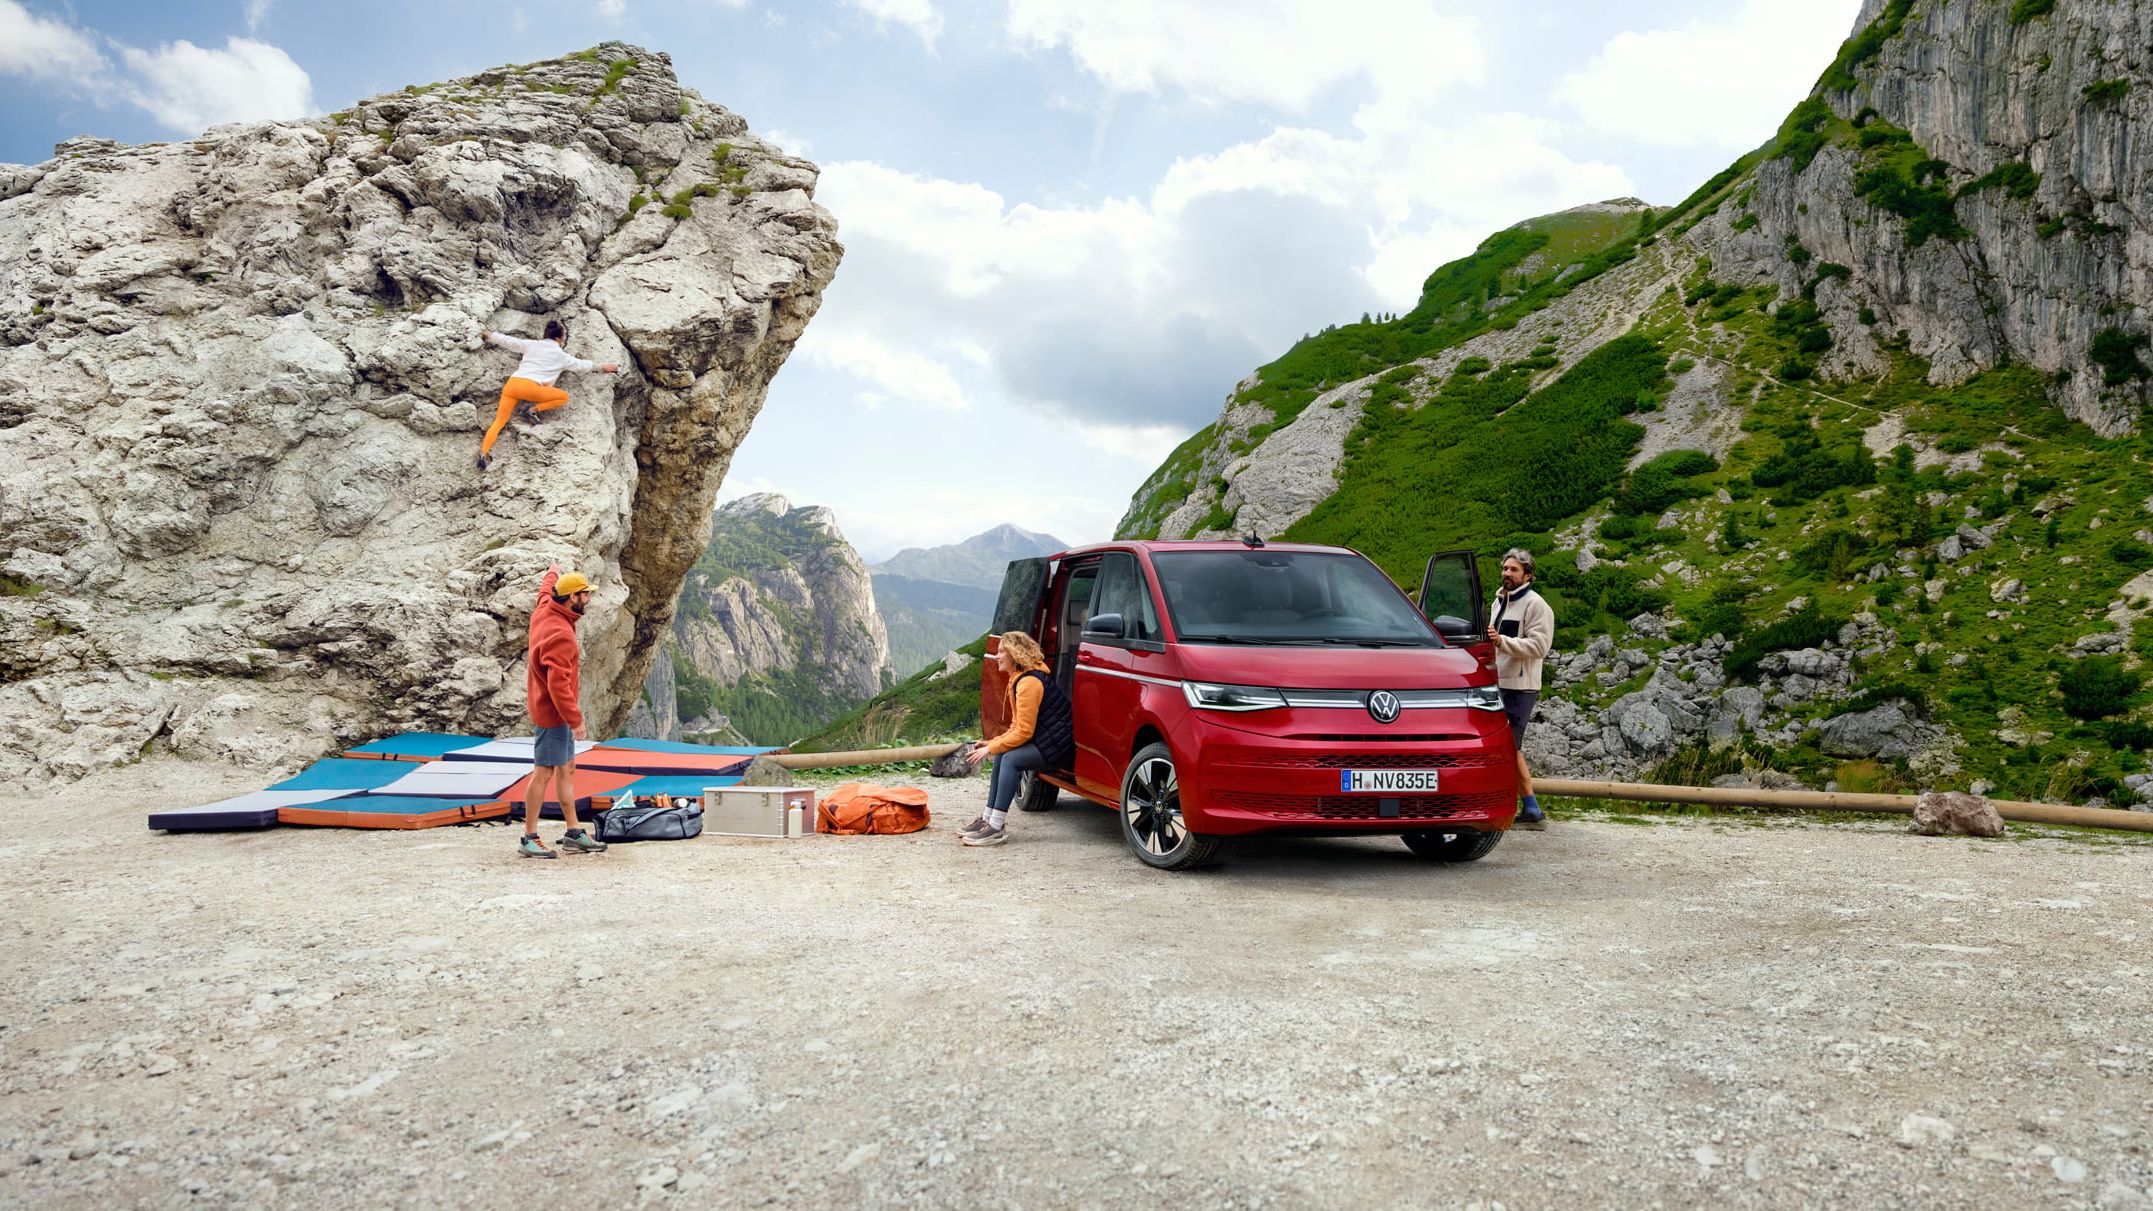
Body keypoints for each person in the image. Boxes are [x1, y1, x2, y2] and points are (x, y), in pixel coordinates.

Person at [521, 563, 606, 858]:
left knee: (566, 769)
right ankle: (528, 837)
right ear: (572, 598)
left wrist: (553, 571)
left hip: (547, 708)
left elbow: (546, 589)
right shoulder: (561, 636)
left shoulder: (547, 607)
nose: (589, 600)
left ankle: (573, 831)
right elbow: (559, 687)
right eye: (585, 595)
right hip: (552, 713)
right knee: (543, 773)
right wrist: (575, 720)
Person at [958, 631, 1073, 848]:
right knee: (1003, 754)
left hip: (1057, 746)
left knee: (1011, 760)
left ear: (1015, 654)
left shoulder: (1029, 682)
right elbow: (1017, 726)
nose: (997, 655)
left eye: (1002, 651)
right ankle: (988, 819)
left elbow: (1024, 732)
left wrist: (991, 747)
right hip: (1046, 741)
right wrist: (992, 744)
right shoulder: (1020, 678)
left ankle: (996, 826)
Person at [475, 320, 621, 471]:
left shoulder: (532, 344)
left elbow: (510, 342)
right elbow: (582, 365)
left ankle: (483, 453)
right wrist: (604, 367)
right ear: (559, 338)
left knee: (499, 421)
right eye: (563, 337)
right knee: (563, 396)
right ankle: (532, 411)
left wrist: (489, 335)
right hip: (531, 387)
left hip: (512, 385)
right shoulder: (561, 356)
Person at [1486, 548, 1555, 831]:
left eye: (1513, 570)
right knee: (1508, 748)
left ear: (1527, 575)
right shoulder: (1498, 601)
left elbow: (1540, 646)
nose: (1507, 574)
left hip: (1520, 687)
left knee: (1509, 747)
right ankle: (1528, 807)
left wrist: (1503, 642)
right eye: (1505, 569)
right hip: (1496, 683)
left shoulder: (1537, 606)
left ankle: (1529, 807)